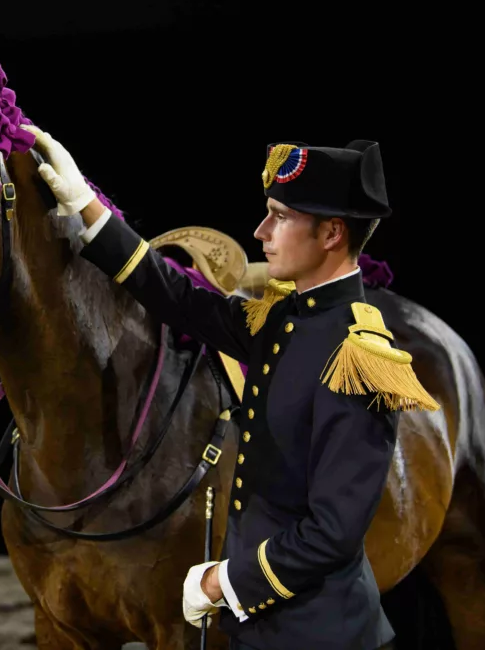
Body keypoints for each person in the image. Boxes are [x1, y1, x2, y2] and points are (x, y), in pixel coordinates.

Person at [22, 125, 440, 650]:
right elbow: (179, 298)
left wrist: (223, 581)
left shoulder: (358, 357)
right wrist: (86, 203)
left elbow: (331, 535)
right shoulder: (283, 319)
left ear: (332, 234)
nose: (262, 231)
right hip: (261, 628)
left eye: (281, 217)